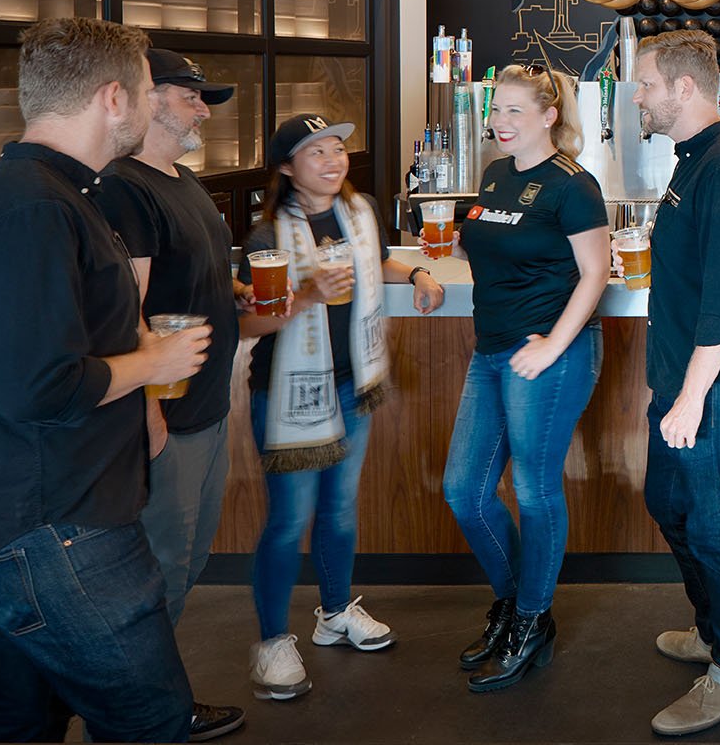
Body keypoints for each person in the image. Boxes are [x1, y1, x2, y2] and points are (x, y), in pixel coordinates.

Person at [0, 17, 211, 742]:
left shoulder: (57, 194)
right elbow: (37, 386)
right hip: (51, 532)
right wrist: (155, 363)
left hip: (41, 523)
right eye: (150, 91)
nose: (156, 106)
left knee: (24, 719)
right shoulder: (29, 208)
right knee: (152, 720)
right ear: (113, 98)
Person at [238, 114, 445, 701]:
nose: (333, 161)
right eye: (315, 153)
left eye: (336, 149)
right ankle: (273, 641)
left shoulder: (360, 211)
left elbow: (376, 260)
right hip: (288, 395)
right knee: (288, 522)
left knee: (341, 511)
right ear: (285, 168)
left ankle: (333, 614)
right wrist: (306, 296)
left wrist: (420, 272)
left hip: (355, 384)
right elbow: (249, 322)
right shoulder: (267, 238)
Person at [441, 64, 611, 693]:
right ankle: (517, 604)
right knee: (465, 491)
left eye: (514, 111)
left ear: (547, 116)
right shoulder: (494, 174)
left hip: (550, 352)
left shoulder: (574, 185)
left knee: (536, 492)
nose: (499, 123)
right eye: (495, 110)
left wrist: (552, 344)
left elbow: (595, 273)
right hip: (491, 352)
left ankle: (531, 620)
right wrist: (465, 247)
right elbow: (488, 238)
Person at [97, 49, 247, 741]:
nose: (203, 109)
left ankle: (153, 705)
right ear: (150, 99)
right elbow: (128, 309)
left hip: (208, 407)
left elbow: (196, 281)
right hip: (169, 416)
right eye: (192, 96)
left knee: (184, 566)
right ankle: (135, 717)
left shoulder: (182, 180)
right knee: (159, 572)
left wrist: (237, 290)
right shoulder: (127, 187)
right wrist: (150, 408)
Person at [632, 29, 720, 736]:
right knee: (668, 501)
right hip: (685, 381)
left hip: (715, 386)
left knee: (714, 524)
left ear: (684, 88)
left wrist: (689, 395)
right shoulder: (690, 160)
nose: (639, 95)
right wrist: (667, 384)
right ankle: (715, 626)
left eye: (647, 85)